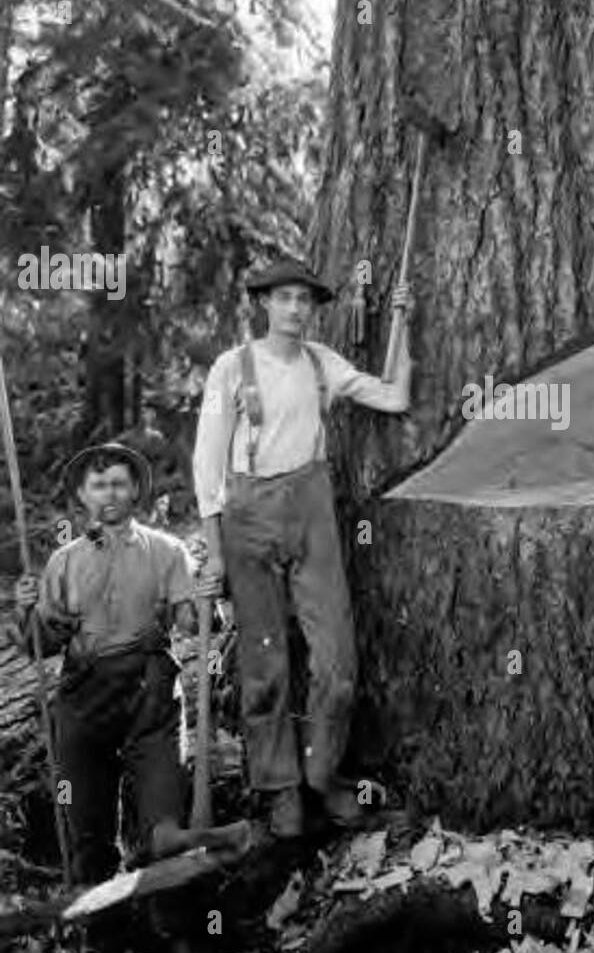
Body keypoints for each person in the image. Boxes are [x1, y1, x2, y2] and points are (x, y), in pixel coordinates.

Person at [192, 257, 412, 838]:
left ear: (314, 309)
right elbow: (207, 464)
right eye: (283, 298)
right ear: (264, 303)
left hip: (312, 513)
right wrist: (214, 549)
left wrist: (403, 324)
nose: (294, 309)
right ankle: (279, 788)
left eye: (304, 300)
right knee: (264, 667)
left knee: (337, 663)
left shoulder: (324, 364)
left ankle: (322, 775)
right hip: (247, 518)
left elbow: (394, 397)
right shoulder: (230, 368)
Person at [14, 442, 220, 884]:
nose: (109, 493)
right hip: (83, 701)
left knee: (165, 826)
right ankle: (104, 938)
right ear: (83, 496)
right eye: (99, 485)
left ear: (134, 493)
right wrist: (27, 611)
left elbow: (191, 623)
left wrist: (204, 602)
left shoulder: (167, 551)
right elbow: (41, 644)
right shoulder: (62, 563)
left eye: (119, 484)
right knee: (86, 830)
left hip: (152, 697)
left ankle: (177, 932)